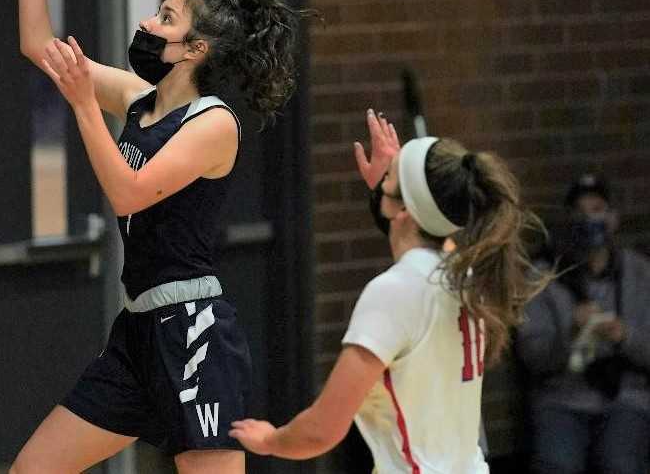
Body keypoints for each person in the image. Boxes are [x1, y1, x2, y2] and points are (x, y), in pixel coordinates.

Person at [9, 0, 310, 474]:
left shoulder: (214, 124)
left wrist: (80, 106)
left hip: (193, 331)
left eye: (165, 17)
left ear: (195, 48)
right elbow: (35, 42)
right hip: (137, 332)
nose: (148, 22)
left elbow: (128, 193)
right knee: (33, 468)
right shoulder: (137, 97)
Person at [230, 130, 547, 473]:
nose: (383, 181)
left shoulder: (393, 292)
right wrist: (392, 186)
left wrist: (271, 440)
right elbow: (421, 236)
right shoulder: (467, 275)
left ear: (404, 210)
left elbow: (321, 431)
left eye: (391, 177)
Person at [514, 173, 650, 474]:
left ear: (613, 218)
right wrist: (571, 333)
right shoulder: (543, 276)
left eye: (597, 209)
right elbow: (532, 356)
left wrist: (623, 336)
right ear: (568, 219)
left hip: (624, 397)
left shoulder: (638, 273)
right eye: (580, 212)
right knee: (558, 464)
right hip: (562, 397)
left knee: (621, 463)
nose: (589, 220)